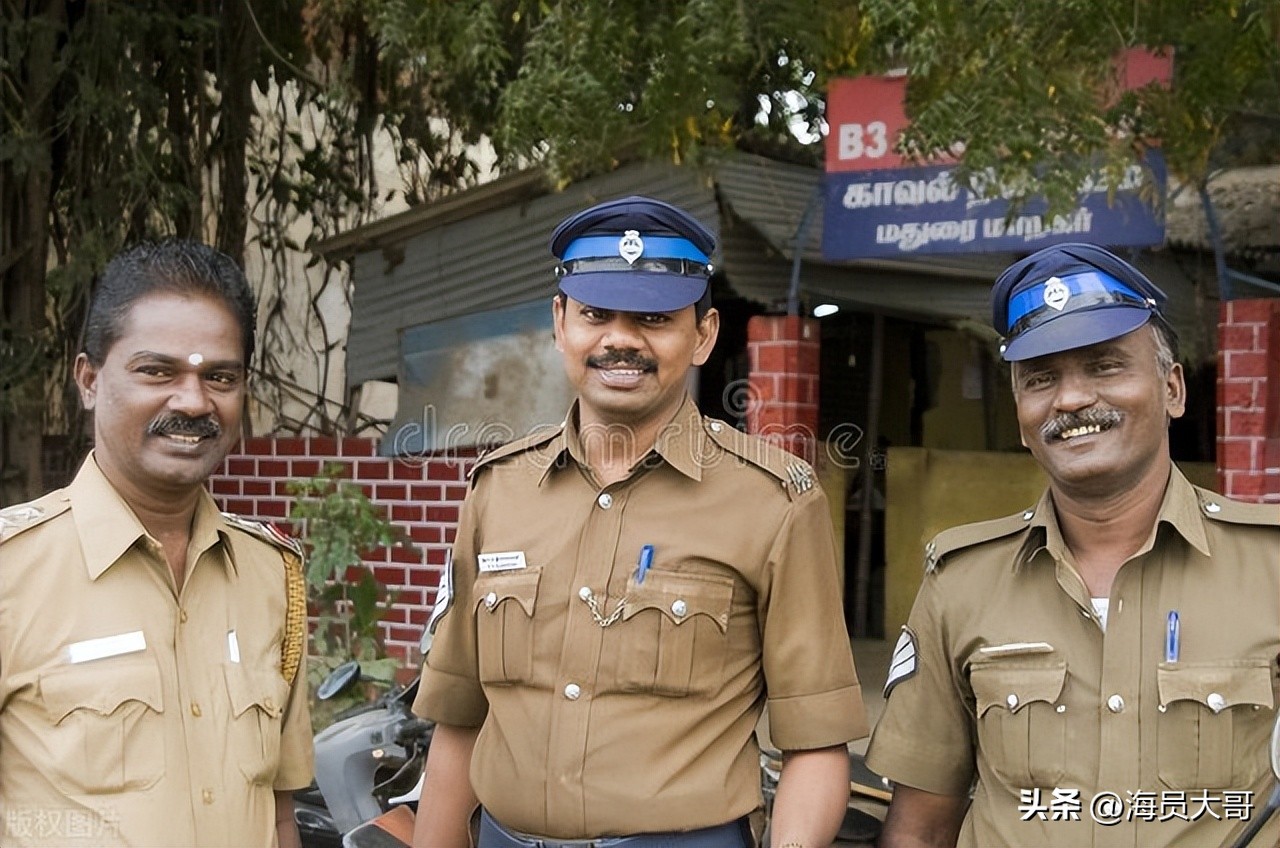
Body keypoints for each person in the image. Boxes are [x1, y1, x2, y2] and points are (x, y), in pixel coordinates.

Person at [412, 196, 868, 848]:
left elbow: (817, 745)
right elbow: (457, 720)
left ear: (704, 334)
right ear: (560, 322)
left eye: (654, 318)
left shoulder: (774, 502)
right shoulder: (498, 490)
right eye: (596, 314)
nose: (621, 339)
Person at [866, 242, 1280, 847]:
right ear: (1020, 417)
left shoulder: (1269, 568)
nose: (1070, 399)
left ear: (1172, 390)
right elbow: (921, 827)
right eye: (1041, 379)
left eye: (1105, 366)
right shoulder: (962, 581)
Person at [0, 241, 313, 847]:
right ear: (89, 380)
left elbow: (277, 811)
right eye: (158, 371)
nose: (193, 401)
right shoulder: (12, 571)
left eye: (219, 376)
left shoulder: (273, 577)